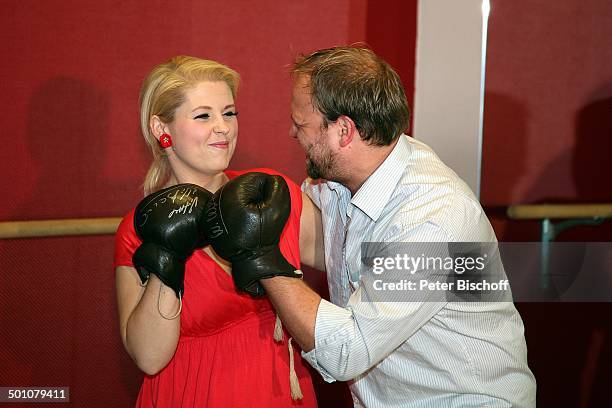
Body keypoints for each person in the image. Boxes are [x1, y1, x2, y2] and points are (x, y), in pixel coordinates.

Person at [207, 46, 537, 407]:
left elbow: (347, 350)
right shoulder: (338, 179)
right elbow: (325, 246)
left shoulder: (431, 219)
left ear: (344, 131)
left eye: (301, 124)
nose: (291, 132)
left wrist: (263, 261)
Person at [113, 55, 318, 407]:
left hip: (277, 391)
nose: (223, 126)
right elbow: (149, 357)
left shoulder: (270, 193)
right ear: (162, 129)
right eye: (204, 115)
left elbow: (353, 257)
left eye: (229, 112)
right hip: (191, 393)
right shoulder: (137, 229)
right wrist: (168, 252)